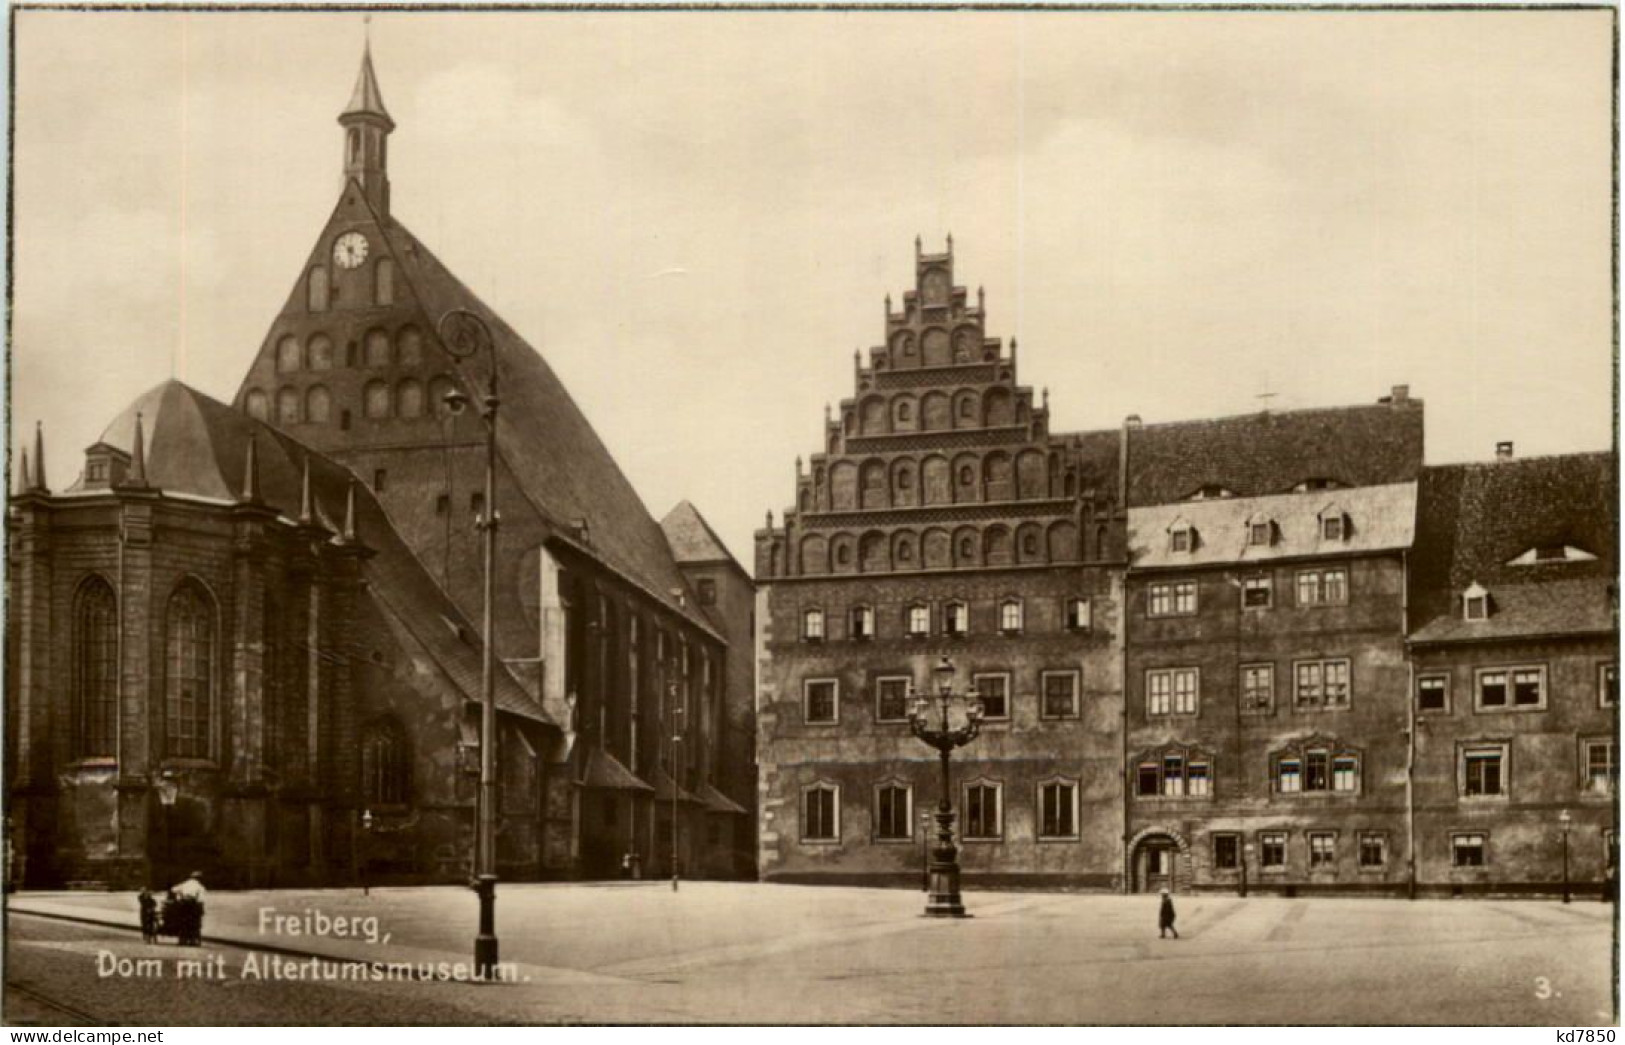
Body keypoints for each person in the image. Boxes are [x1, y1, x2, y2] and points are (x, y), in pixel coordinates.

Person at [171, 871, 206, 946]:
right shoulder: (200, 886)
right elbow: (200, 900)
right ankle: (192, 940)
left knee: (183, 923)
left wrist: (179, 896)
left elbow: (173, 889)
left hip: (183, 905)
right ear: (199, 878)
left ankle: (182, 940)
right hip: (192, 906)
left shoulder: (185, 884)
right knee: (193, 923)